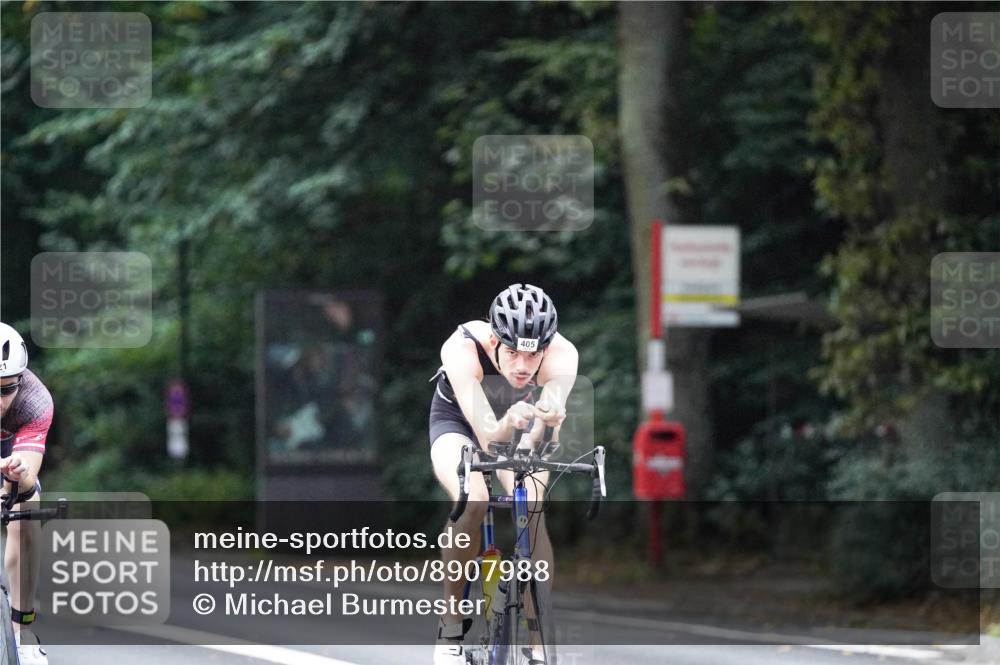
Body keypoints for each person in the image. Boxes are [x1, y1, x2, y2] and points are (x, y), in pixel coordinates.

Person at [428, 285, 578, 665]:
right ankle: (450, 626)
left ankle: (537, 638)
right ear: (494, 340)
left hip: (522, 423)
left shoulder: (563, 355)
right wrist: (507, 424)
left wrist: (548, 420)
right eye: (512, 352)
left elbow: (542, 440)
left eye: (533, 354)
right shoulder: (462, 349)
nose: (523, 366)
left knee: (533, 503)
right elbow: (489, 439)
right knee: (473, 499)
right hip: (460, 423)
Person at [0, 322, 52, 665]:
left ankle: (23, 630)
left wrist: (14, 479)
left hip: (10, 454)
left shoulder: (35, 401)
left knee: (28, 511)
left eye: (5, 389)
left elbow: (28, 475)